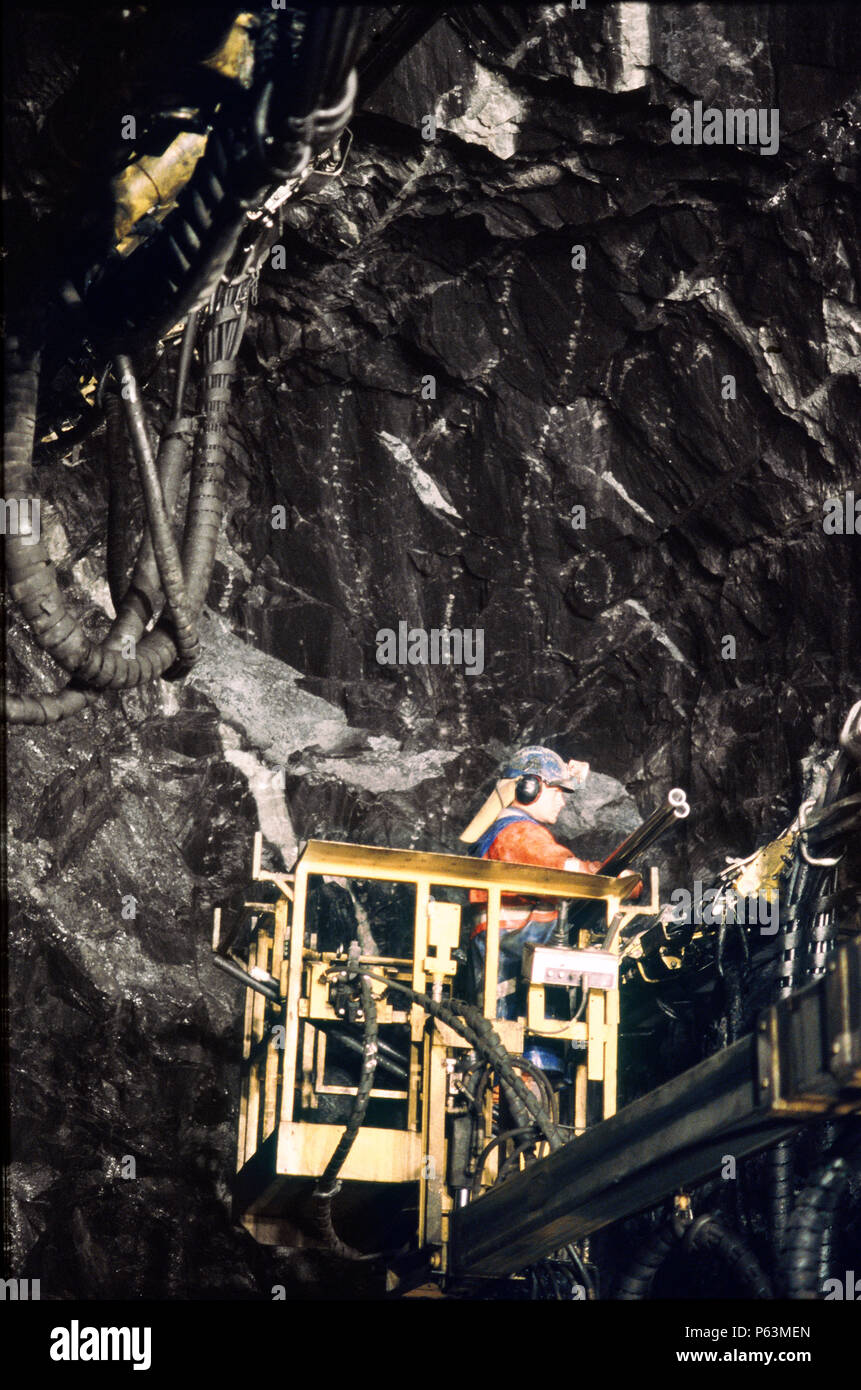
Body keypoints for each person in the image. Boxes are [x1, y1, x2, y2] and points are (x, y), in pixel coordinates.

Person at [458, 746, 603, 1024]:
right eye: (557, 791)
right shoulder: (517, 833)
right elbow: (562, 869)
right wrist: (608, 877)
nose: (562, 802)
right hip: (512, 974)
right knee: (519, 1058)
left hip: (509, 969)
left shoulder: (505, 831)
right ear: (529, 787)